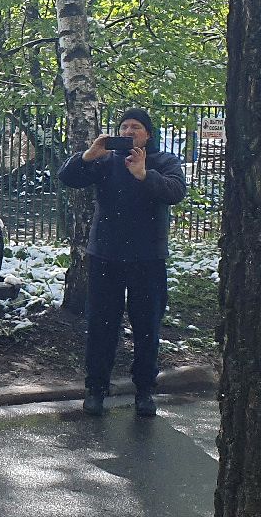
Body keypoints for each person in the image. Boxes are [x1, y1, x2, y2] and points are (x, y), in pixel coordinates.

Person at [57, 107, 187, 418]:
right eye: (124, 126)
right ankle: (95, 390)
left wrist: (144, 174)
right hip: (106, 257)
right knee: (101, 326)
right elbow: (68, 178)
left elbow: (176, 191)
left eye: (136, 127)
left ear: (148, 134)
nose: (129, 132)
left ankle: (144, 391)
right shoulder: (105, 161)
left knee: (147, 327)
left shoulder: (163, 162)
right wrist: (88, 155)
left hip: (147, 259)